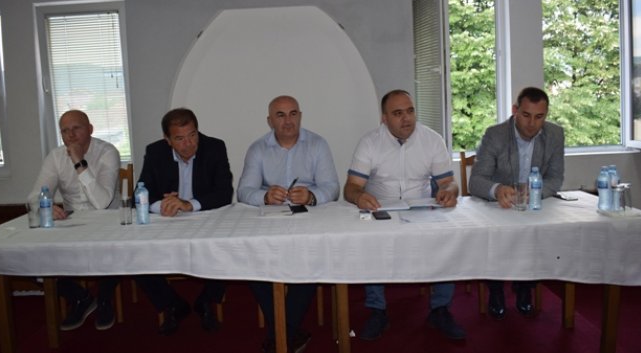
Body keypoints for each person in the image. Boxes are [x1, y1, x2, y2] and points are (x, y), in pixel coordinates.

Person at [343, 89, 466, 341]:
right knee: (370, 242)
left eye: (410, 111)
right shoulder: (370, 142)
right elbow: (351, 187)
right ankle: (377, 310)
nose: (406, 118)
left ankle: (440, 309)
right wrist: (359, 197)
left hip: (422, 209)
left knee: (447, 239)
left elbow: (449, 183)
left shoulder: (432, 140)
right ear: (384, 118)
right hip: (381, 209)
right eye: (398, 113)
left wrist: (449, 192)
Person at [237, 95, 340, 353]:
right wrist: (264, 196)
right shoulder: (258, 148)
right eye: (280, 115)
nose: (288, 121)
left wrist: (312, 196)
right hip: (269, 222)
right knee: (252, 262)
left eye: (293, 114)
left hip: (309, 219)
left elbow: (332, 187)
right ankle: (289, 331)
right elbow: (244, 191)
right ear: (270, 121)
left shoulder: (317, 144)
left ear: (300, 116)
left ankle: (280, 333)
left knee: (311, 260)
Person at [469, 86, 564, 319]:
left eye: (539, 117)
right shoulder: (495, 134)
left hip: (532, 205)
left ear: (546, 115)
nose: (532, 123)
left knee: (540, 234)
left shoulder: (555, 135)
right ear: (515, 111)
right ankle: (496, 289)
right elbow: (476, 181)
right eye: (526, 115)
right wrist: (497, 189)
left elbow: (555, 179)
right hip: (498, 207)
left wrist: (536, 192)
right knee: (494, 236)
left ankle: (525, 287)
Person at [136, 107, 233, 335]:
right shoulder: (155, 152)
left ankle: (206, 301)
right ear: (167, 140)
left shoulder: (215, 147)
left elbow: (224, 193)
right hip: (168, 222)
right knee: (135, 252)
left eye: (192, 135)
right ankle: (171, 304)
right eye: (180, 138)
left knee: (228, 247)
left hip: (205, 219)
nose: (189, 144)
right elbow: (139, 194)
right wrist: (163, 205)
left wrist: (189, 204)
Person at [27, 110, 120, 331]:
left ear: (90, 129)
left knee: (113, 249)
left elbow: (101, 203)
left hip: (109, 220)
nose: (70, 135)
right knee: (31, 256)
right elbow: (33, 197)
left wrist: (79, 161)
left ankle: (105, 299)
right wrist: (45, 207)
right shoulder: (56, 156)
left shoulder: (107, 152)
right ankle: (81, 297)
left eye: (76, 128)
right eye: (65, 131)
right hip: (73, 221)